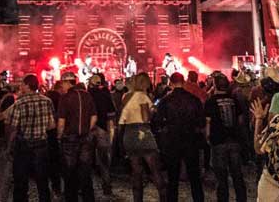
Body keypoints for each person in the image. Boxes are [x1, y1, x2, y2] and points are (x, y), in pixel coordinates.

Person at [153, 71, 205, 202]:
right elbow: (201, 122)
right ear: (183, 82)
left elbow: (157, 121)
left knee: (173, 179)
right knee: (194, 178)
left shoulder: (165, 101)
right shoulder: (194, 100)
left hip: (172, 141)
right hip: (190, 140)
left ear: (170, 83)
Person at [7, 74, 56, 202]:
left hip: (24, 145)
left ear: (27, 86)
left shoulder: (19, 103)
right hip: (41, 145)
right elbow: (51, 125)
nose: (21, 86)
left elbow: (13, 127)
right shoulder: (47, 101)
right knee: (42, 181)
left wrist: (9, 146)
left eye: (22, 84)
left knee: (21, 181)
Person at [119, 72, 167, 202]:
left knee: (136, 172)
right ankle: (164, 198)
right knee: (155, 170)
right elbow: (145, 118)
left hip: (128, 134)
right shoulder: (143, 96)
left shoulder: (125, 96)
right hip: (143, 133)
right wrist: (153, 111)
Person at [204, 73, 246, 202]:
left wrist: (207, 137)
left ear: (215, 85)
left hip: (218, 141)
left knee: (221, 177)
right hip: (234, 140)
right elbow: (241, 120)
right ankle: (241, 199)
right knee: (237, 174)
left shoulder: (210, 101)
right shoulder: (234, 99)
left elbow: (208, 122)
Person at [57, 71, 97, 202]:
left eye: (62, 83)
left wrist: (59, 136)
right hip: (85, 139)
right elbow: (94, 117)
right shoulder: (87, 96)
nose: (61, 86)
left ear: (68, 83)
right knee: (85, 173)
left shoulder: (65, 98)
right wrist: (87, 130)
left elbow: (61, 122)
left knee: (70, 174)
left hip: (70, 139)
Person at [87, 74, 116, 196]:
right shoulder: (106, 95)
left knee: (86, 160)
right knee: (104, 160)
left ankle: (86, 189)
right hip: (102, 129)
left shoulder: (86, 95)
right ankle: (107, 187)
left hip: (88, 129)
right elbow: (112, 113)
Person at [0, 84, 17, 202]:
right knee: (5, 175)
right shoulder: (10, 100)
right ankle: (1, 199)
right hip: (4, 142)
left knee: (2, 173)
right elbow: (8, 125)